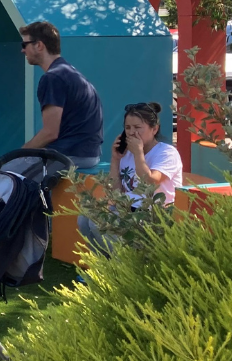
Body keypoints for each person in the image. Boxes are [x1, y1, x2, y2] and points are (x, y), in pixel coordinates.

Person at [77, 102, 182, 255]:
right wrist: (115, 159)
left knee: (98, 223)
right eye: (128, 128)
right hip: (127, 208)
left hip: (155, 213)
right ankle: (103, 267)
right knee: (85, 218)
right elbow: (116, 192)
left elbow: (150, 181)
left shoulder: (166, 153)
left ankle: (121, 268)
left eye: (138, 127)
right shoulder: (127, 153)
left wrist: (139, 154)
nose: (132, 133)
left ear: (154, 129)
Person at [12, 21, 105, 172]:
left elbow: (50, 132)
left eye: (25, 45)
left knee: (5, 171)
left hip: (70, 157)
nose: (22, 50)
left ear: (39, 45)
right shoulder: (68, 72)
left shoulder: (53, 78)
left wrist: (18, 154)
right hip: (89, 155)